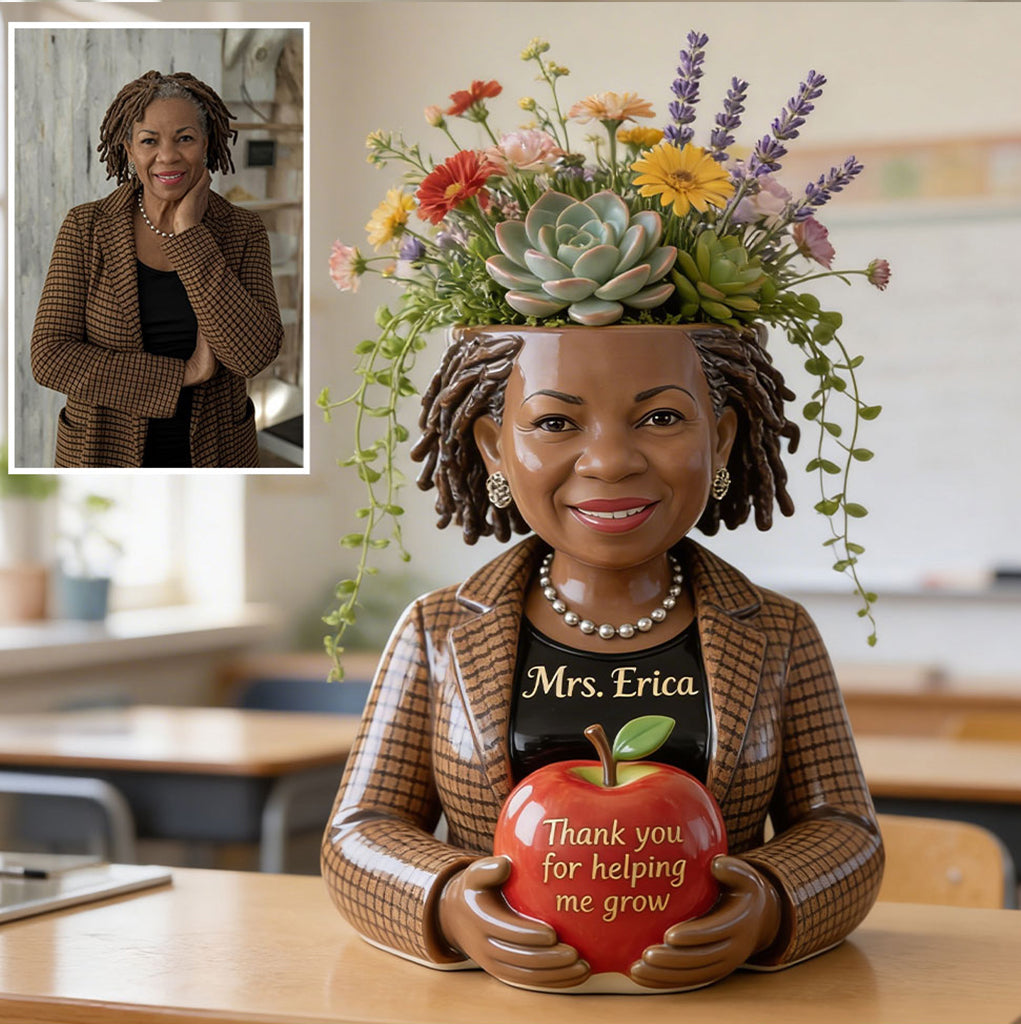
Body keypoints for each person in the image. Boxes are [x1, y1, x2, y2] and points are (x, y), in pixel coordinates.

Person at [320, 322, 884, 993]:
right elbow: (360, 829)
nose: (609, 460)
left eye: (662, 417)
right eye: (556, 421)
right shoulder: (436, 631)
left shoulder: (778, 632)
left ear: (721, 438)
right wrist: (445, 902)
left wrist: (768, 905)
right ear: (493, 449)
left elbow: (843, 828)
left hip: (713, 1003)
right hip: (499, 1004)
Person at [30, 70, 284, 468]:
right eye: (150, 140)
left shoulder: (242, 231)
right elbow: (50, 357)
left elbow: (252, 355)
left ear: (206, 144)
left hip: (216, 457)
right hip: (100, 455)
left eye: (185, 138)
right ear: (130, 149)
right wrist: (183, 373)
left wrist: (189, 234)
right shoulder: (86, 227)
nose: (167, 156)